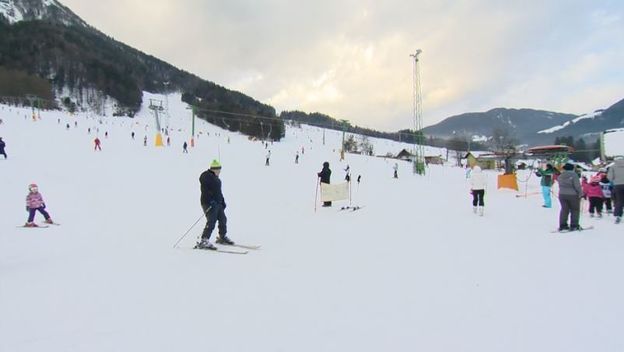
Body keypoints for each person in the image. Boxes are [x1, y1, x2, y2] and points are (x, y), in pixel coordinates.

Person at [196, 160, 234, 249]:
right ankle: (204, 240)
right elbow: (205, 191)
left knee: (223, 219)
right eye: (219, 170)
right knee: (211, 221)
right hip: (208, 203)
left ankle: (222, 237)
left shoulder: (217, 179)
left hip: (218, 204)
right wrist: (210, 201)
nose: (220, 172)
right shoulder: (206, 177)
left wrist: (222, 201)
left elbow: (219, 192)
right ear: (214, 169)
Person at [557, 163, 583, 231]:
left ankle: (563, 225)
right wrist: (581, 193)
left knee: (564, 210)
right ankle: (574, 225)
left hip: (562, 194)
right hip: (573, 195)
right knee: (575, 210)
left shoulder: (560, 175)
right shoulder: (574, 175)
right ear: (572, 168)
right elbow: (577, 186)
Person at [607, 157, 624, 224]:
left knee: (619, 201)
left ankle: (618, 216)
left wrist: (614, 181)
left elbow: (609, 177)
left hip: (618, 185)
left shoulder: (613, 167)